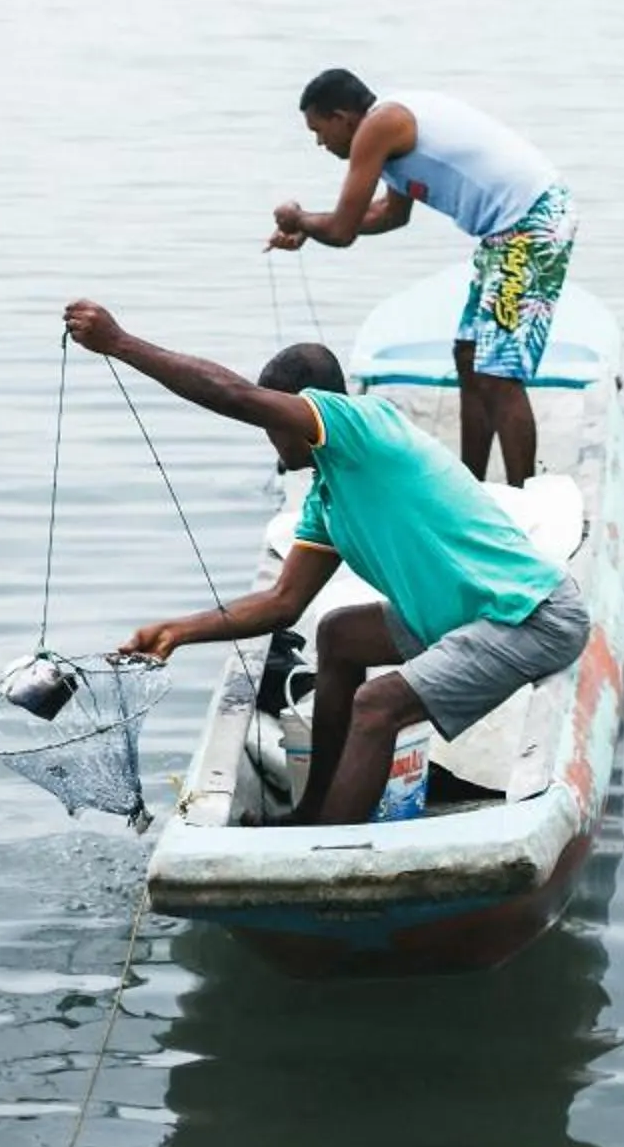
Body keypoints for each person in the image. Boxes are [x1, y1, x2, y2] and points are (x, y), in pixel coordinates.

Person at [61, 298, 588, 827]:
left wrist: (121, 344)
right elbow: (280, 604)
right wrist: (175, 631)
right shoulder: (327, 497)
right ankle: (314, 807)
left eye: (273, 418)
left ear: (301, 409)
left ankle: (330, 842)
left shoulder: (361, 424)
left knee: (377, 706)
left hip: (534, 616)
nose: (269, 435)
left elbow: (235, 396)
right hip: (472, 614)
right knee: (339, 634)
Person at [269, 72, 578, 487]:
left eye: (319, 131)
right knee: (469, 358)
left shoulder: (380, 126)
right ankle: (472, 487)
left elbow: (343, 230)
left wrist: (300, 217)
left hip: (532, 222)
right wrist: (312, 226)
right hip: (504, 232)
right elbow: (388, 215)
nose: (321, 144)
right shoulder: (390, 132)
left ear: (342, 117)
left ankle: (523, 497)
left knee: (499, 375)